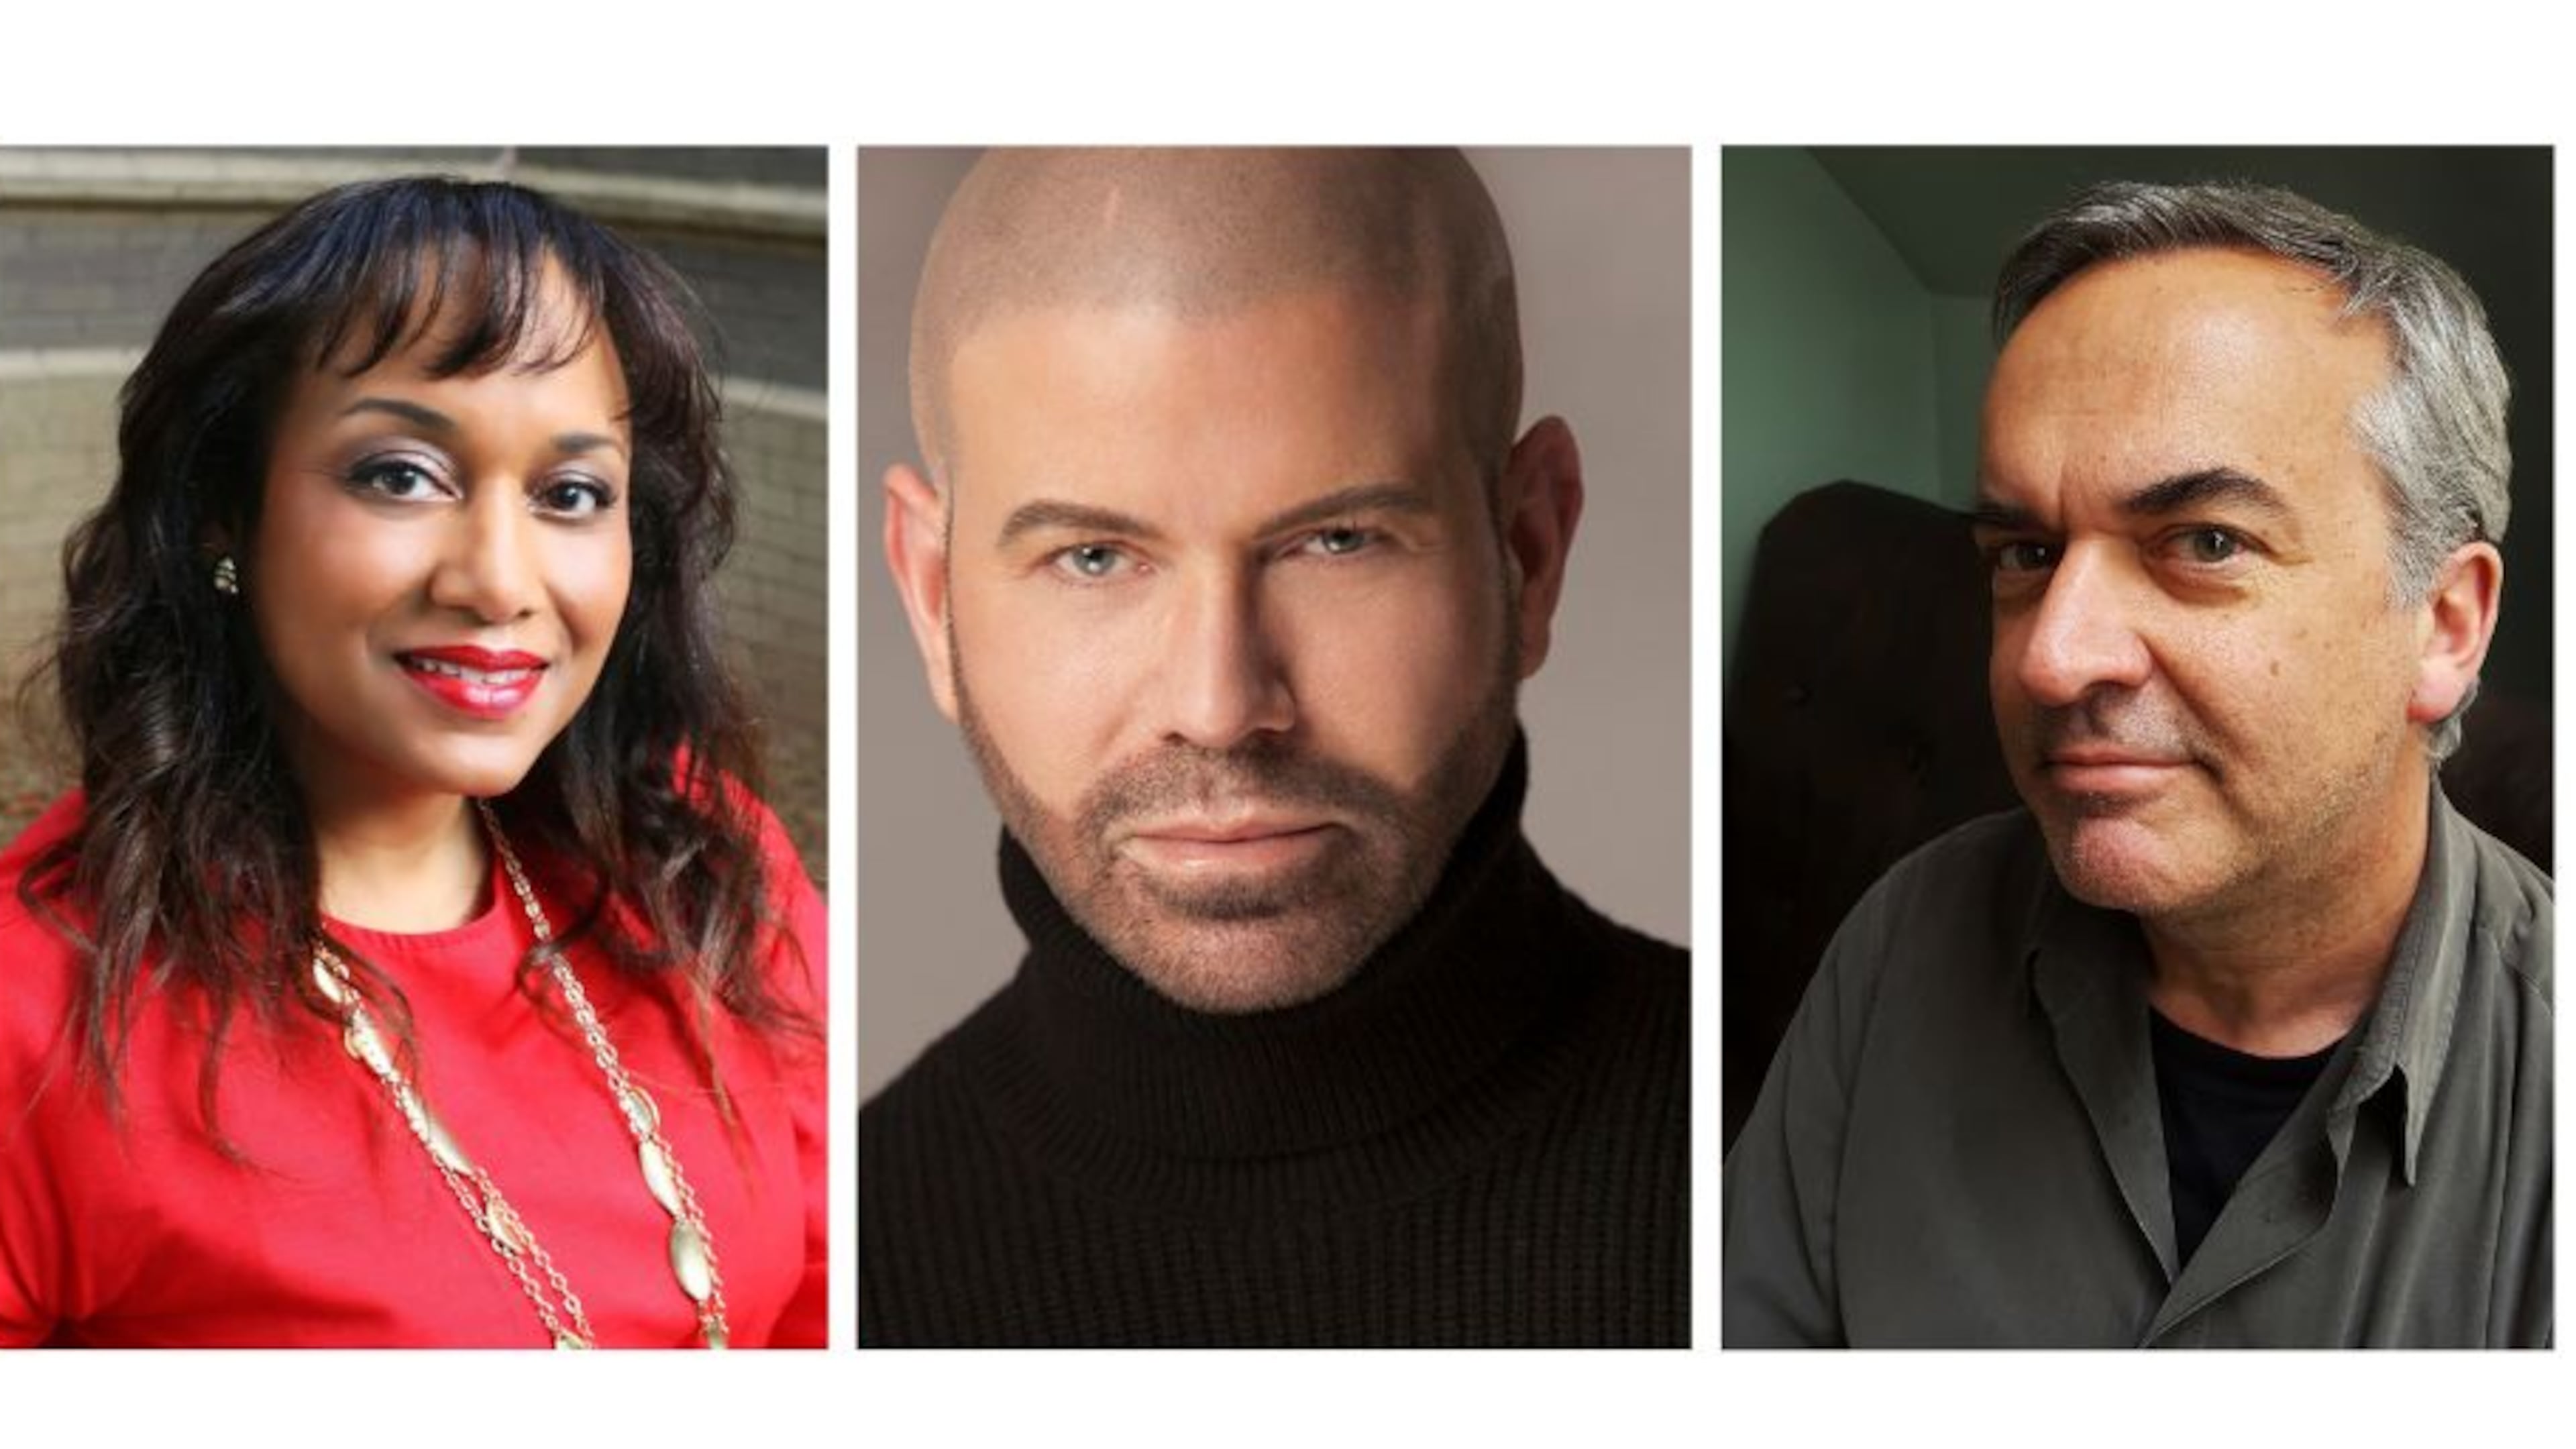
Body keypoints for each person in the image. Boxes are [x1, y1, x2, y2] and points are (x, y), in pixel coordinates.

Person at [860, 148, 1688, 1347]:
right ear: (935, 600)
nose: (1219, 702)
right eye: (1094, 557)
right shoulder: (847, 1267)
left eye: (1338, 541)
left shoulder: (1761, 1135)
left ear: (1529, 551)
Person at [0, 176, 826, 1348]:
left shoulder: (703, 859)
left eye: (573, 493)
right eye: (400, 475)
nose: (497, 579)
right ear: (222, 514)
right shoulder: (37, 1013)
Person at [1722, 180, 2550, 1347]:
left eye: (2205, 543)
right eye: (2025, 552)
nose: (2051, 660)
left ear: (2446, 624)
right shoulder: (1903, 942)